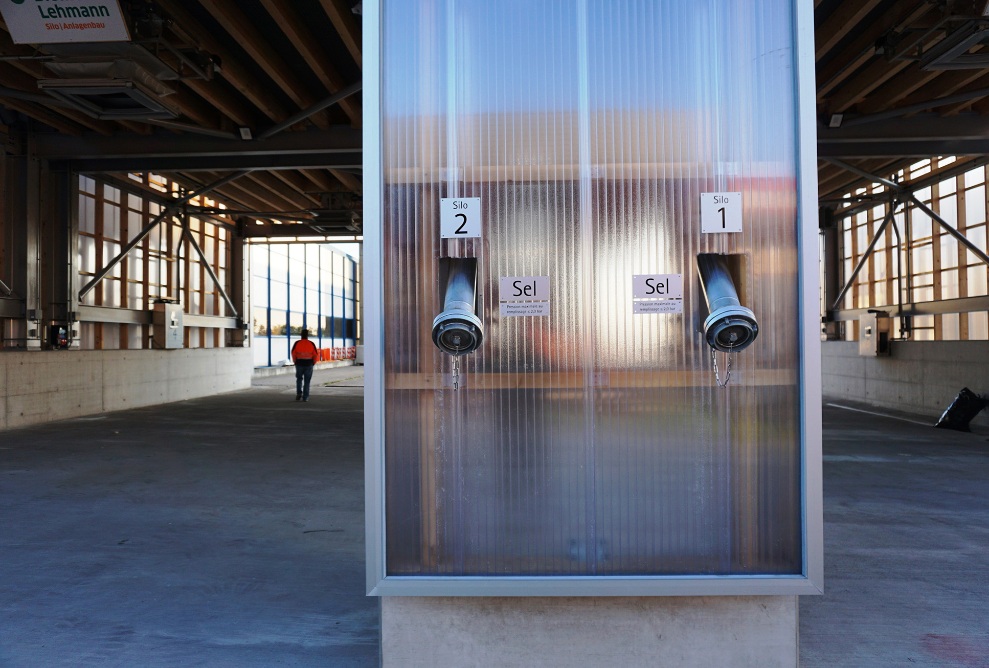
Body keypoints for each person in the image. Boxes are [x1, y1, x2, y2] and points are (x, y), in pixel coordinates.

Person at [291, 329, 319, 402]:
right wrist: (313, 362)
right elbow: (315, 354)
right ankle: (305, 397)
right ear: (307, 335)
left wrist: (295, 361)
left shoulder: (297, 343)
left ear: (301, 335)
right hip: (309, 364)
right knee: (307, 381)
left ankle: (299, 393)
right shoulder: (311, 343)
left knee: (299, 379)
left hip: (299, 364)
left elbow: (293, 353)